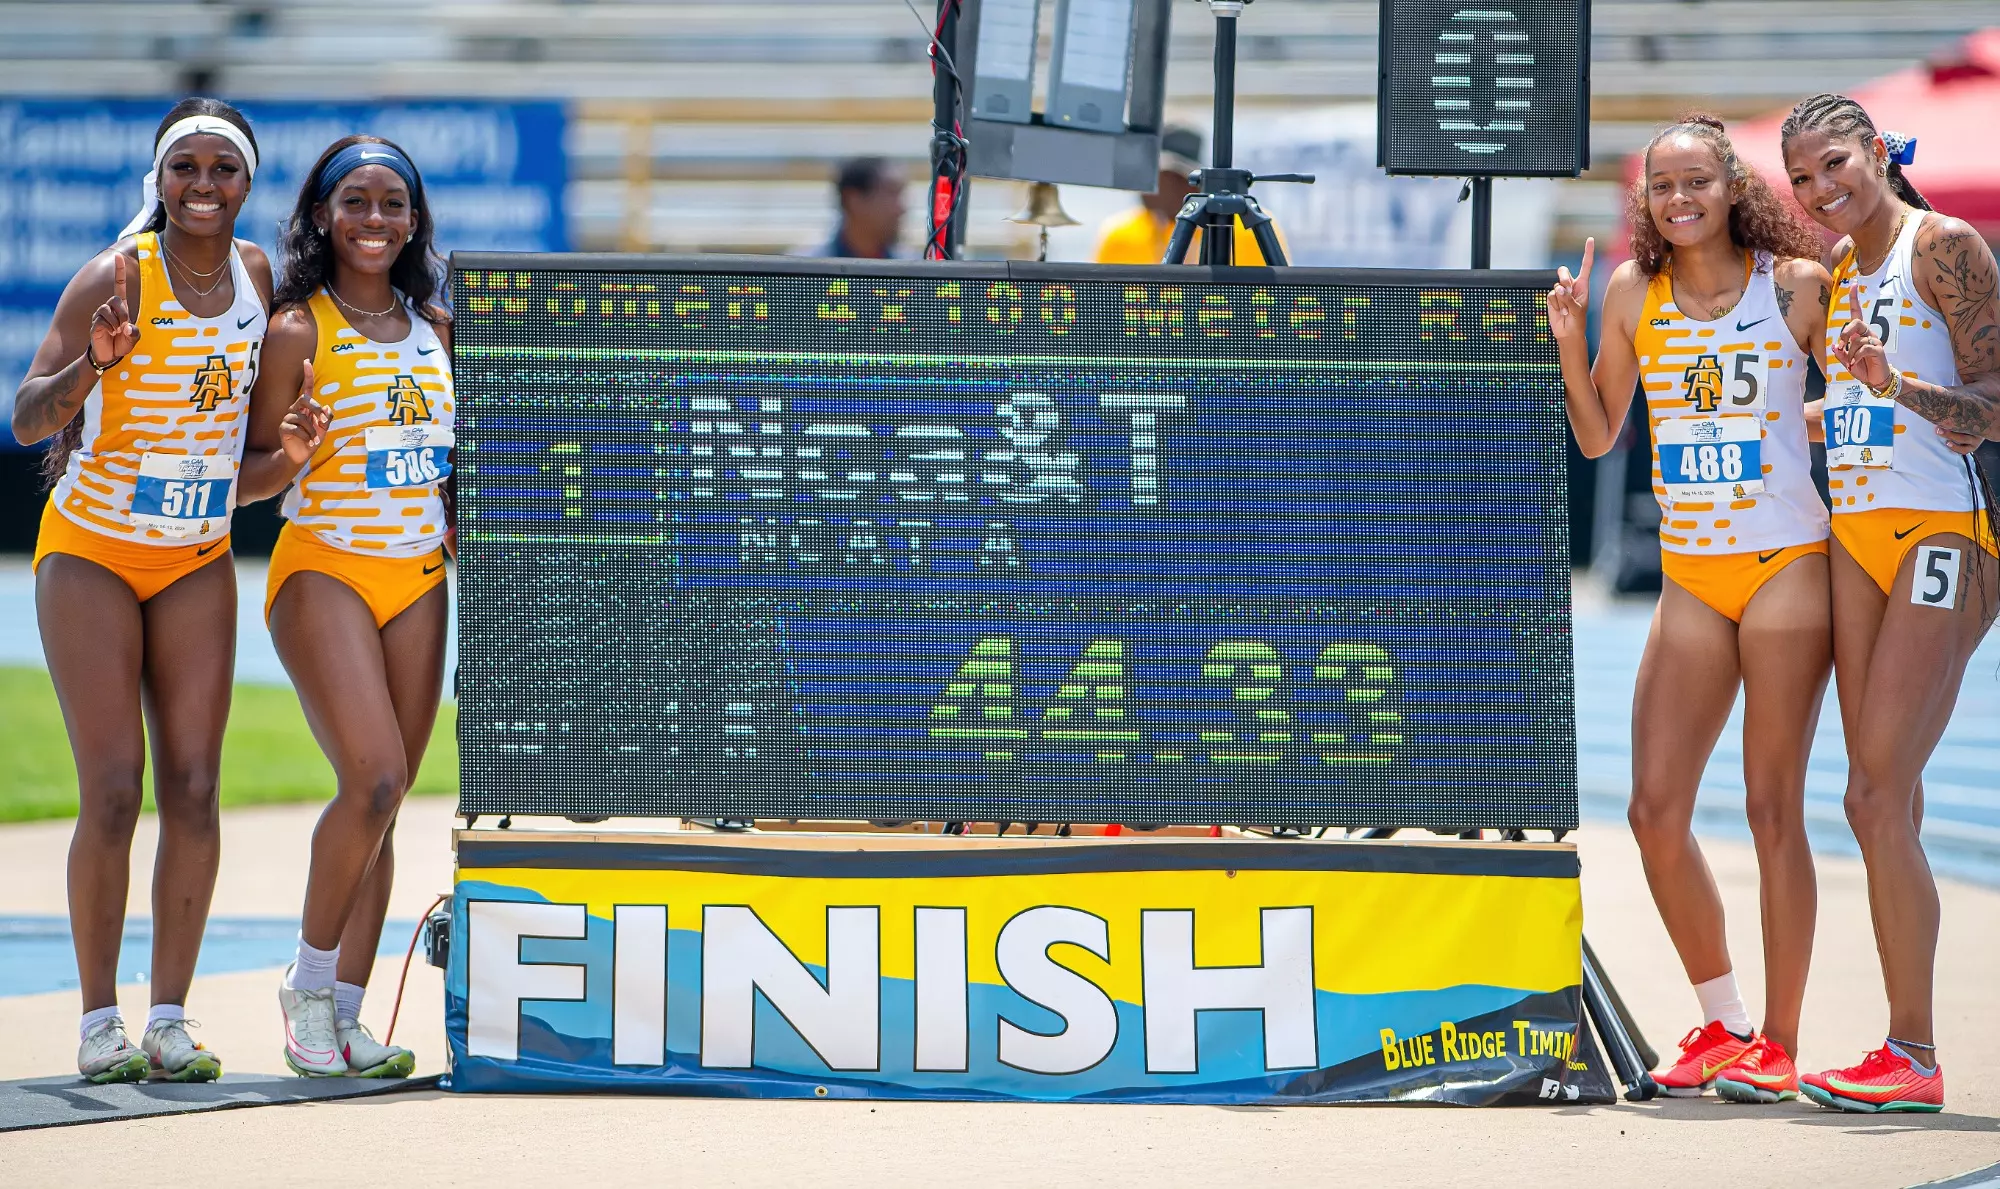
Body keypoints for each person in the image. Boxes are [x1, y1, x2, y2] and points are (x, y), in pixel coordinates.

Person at [10, 98, 323, 1083]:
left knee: (194, 787)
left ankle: (171, 1020)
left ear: (245, 182)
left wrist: (291, 462)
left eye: (221, 170)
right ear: (159, 178)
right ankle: (99, 1018)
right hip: (93, 552)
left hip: (195, 556)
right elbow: (25, 418)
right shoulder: (115, 276)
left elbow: (248, 472)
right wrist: (90, 368)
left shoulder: (257, 282)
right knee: (113, 789)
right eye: (184, 168)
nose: (202, 186)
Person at [1546, 115, 1835, 1103]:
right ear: (1645, 200)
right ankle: (1723, 1020)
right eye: (1661, 185)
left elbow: (1870, 396)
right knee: (1653, 810)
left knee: (1768, 809)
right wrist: (1564, 336)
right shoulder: (1632, 293)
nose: (1677, 198)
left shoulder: (1793, 285)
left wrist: (1810, 416)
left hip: (1784, 568)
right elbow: (1596, 438)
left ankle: (1780, 1042)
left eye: (1696, 181)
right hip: (1690, 575)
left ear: (1730, 186)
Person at [1780, 94, 2000, 1114]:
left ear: (1877, 151)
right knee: (1883, 803)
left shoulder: (1942, 244)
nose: (1822, 190)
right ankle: (1897, 1047)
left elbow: (1992, 411)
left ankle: (1909, 1051)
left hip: (1939, 535)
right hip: (1856, 539)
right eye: (1803, 180)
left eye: (1835, 165)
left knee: (1872, 795)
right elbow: (1862, 395)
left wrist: (1891, 387)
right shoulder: (1836, 269)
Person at [246, 135, 455, 1078]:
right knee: (369, 780)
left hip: (417, 574)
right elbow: (245, 480)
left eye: (394, 205)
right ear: (323, 215)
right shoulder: (297, 329)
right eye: (357, 203)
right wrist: (290, 453)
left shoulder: (437, 329)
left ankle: (346, 1012)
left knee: (391, 803)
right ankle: (305, 981)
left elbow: (451, 470)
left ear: (414, 221)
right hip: (322, 564)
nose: (376, 220)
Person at [1092, 125, 1271, 265]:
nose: (1153, 187)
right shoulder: (1120, 233)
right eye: (1151, 176)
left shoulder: (1249, 229)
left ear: (1195, 184)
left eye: (1169, 178)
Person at [806, 157, 907, 259]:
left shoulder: (912, 269)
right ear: (853, 200)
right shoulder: (806, 270)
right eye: (891, 194)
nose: (901, 210)